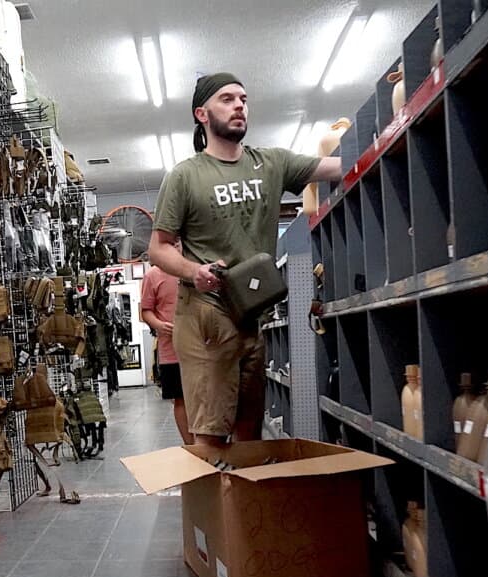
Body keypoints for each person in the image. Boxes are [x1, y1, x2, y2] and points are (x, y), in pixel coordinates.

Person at [148, 73, 341, 445]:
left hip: (253, 315)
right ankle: (212, 503)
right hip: (207, 315)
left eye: (243, 98)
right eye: (227, 99)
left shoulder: (271, 163)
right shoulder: (185, 176)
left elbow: (333, 167)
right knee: (210, 436)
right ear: (201, 113)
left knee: (250, 433)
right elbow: (159, 248)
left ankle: (244, 504)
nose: (239, 105)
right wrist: (194, 271)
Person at [140, 264, 192, 444]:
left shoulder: (195, 267)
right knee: (180, 398)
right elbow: (146, 310)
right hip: (171, 349)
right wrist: (159, 325)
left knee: (207, 398)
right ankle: (192, 448)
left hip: (203, 347)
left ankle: (208, 445)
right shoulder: (153, 275)